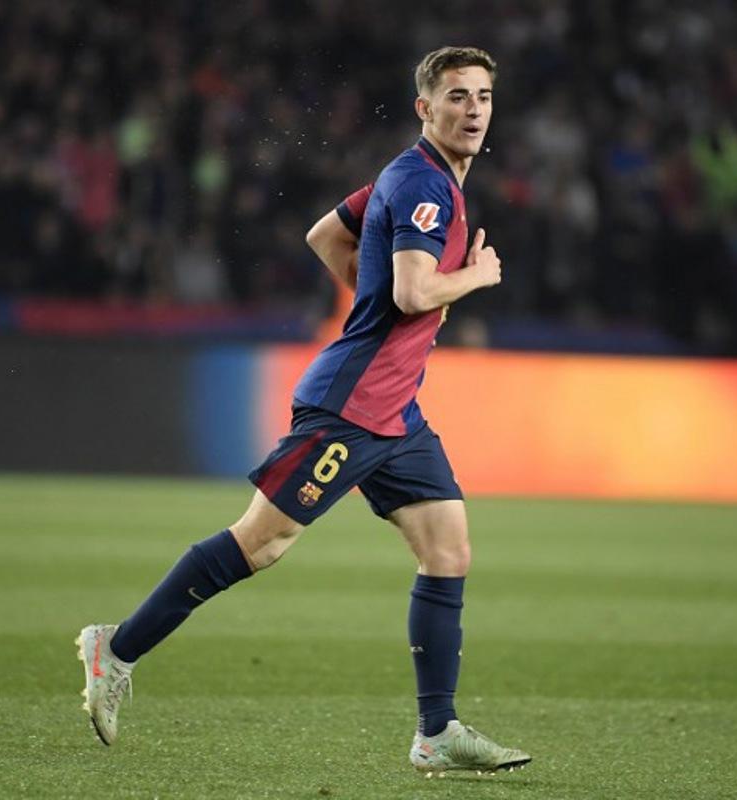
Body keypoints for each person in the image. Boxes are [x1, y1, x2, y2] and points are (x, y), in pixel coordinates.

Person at [76, 45, 531, 775]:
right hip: (352, 407)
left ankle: (436, 732)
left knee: (448, 549)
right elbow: (415, 292)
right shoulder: (427, 187)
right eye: (456, 97)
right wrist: (472, 276)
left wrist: (376, 297)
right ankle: (115, 647)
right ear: (426, 108)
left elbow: (326, 235)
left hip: (397, 410)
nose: (472, 110)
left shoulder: (414, 173)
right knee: (262, 543)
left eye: (481, 97)